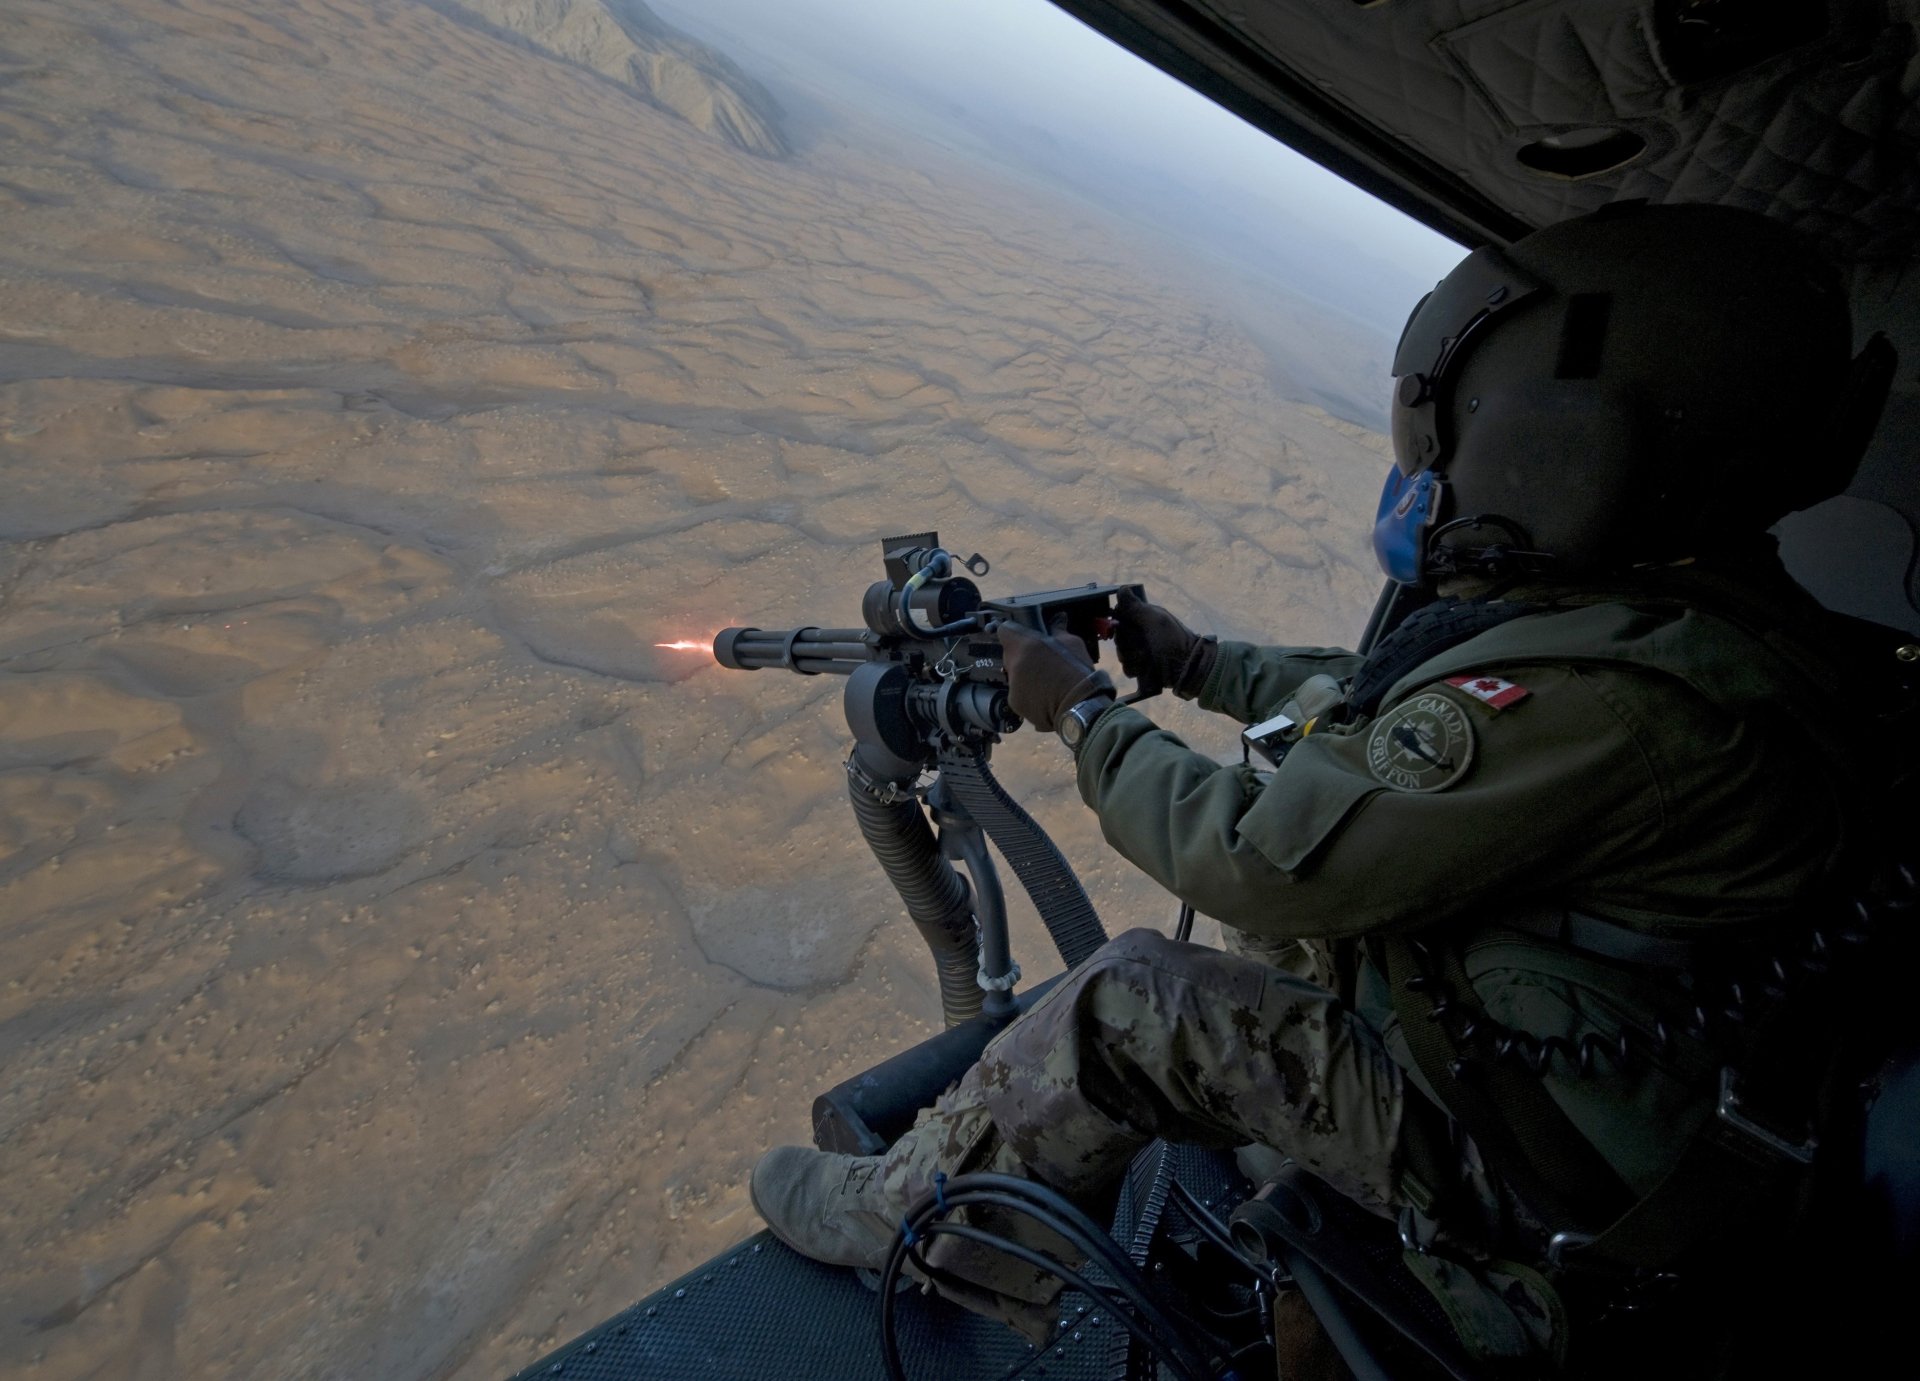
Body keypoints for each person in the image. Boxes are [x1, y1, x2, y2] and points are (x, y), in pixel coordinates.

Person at [747, 203, 1899, 1367]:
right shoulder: (1686, 625)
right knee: (1276, 929)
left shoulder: (1631, 706)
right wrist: (1199, 663)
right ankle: (1282, 1144)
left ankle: (905, 1222)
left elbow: (1255, 853)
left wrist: (1079, 709)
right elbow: (1389, 715)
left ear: (1570, 440)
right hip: (1609, 1101)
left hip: (1556, 1189)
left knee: (1134, 999)